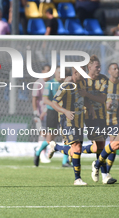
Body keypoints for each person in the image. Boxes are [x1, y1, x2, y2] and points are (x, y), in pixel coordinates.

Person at [48, 68, 90, 185]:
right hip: (67, 120)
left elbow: (82, 99)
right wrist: (65, 111)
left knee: (76, 150)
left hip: (79, 120)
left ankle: (55, 147)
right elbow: (54, 102)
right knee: (76, 147)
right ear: (75, 73)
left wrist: (89, 107)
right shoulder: (66, 85)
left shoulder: (82, 83)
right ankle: (77, 179)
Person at [79, 55, 116, 184]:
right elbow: (80, 97)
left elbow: (102, 99)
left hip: (102, 116)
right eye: (97, 67)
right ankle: (105, 174)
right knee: (100, 142)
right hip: (89, 116)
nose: (99, 69)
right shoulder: (83, 80)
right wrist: (89, 105)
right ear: (89, 67)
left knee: (99, 146)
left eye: (100, 66)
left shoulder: (104, 79)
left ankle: (71, 150)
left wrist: (87, 95)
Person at [91, 63, 119, 184]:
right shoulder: (105, 84)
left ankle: (105, 174)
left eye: (118, 68)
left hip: (114, 120)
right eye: (115, 68)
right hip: (102, 119)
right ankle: (58, 148)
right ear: (109, 71)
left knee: (114, 145)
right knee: (98, 147)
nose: (117, 70)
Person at [39, 66, 72, 167]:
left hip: (64, 113)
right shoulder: (49, 83)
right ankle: (38, 152)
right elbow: (45, 100)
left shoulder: (66, 84)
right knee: (50, 139)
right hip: (53, 112)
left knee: (67, 136)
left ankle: (65, 161)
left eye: (62, 72)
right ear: (55, 73)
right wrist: (56, 105)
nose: (60, 74)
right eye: (58, 72)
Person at [33, 64, 51, 166]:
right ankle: (41, 154)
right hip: (41, 114)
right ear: (42, 71)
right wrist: (36, 112)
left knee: (51, 133)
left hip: (50, 111)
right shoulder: (38, 83)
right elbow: (34, 98)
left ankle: (41, 152)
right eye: (47, 71)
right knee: (43, 133)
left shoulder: (51, 83)